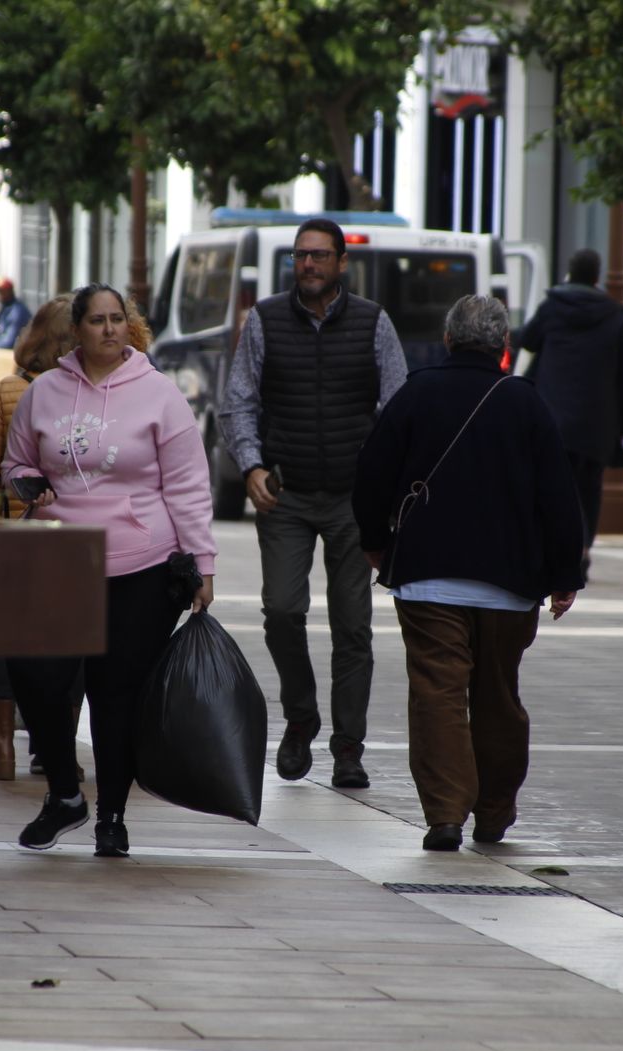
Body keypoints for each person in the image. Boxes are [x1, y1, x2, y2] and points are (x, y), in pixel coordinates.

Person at [353, 295, 585, 851]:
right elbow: (559, 495)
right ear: (504, 346)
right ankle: (495, 812)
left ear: (448, 338)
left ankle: (445, 815)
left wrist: (377, 543)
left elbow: (371, 474)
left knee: (437, 695)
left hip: (429, 577)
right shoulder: (525, 402)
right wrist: (564, 574)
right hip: (510, 584)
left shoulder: (417, 393)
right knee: (498, 698)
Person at [2, 283, 215, 857]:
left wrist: (203, 563)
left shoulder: (160, 393)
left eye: (117, 319)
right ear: (76, 330)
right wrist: (30, 485)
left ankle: (112, 818)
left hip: (142, 564)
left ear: (128, 324)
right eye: (96, 321)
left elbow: (189, 485)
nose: (109, 329)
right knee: (35, 674)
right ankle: (65, 794)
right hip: (61, 559)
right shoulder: (44, 392)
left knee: (116, 694)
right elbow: (15, 464)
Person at [217, 217, 407, 789]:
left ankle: (348, 747)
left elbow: (398, 408)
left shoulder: (374, 322)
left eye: (320, 255)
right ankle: (300, 718)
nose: (309, 264)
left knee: (353, 627)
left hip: (353, 499)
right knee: (281, 610)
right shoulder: (265, 320)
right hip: (286, 492)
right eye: (301, 255)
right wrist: (251, 465)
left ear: (342, 263)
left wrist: (385, 485)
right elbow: (238, 402)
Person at [0, 295, 155, 780]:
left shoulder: (11, 391)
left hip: (16, 542)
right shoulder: (104, 395)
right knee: (73, 642)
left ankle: (1, 747)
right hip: (80, 544)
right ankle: (55, 748)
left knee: (7, 642)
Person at [515, 248, 623, 577]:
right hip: (597, 424)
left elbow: (527, 340)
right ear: (597, 276)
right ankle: (582, 548)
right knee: (589, 488)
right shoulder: (614, 315)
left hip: (553, 417)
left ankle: (560, 549)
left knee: (556, 486)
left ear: (570, 273)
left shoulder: (553, 306)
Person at [0, 276, 32, 351]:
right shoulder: (2, 309)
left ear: (9, 291)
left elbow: (9, 342)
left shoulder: (17, 311)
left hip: (14, 354)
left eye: (0, 291)